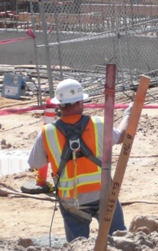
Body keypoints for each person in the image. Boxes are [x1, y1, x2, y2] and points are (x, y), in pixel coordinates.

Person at [27, 79, 131, 241]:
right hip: (102, 195)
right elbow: (122, 136)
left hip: (71, 201)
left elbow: (35, 164)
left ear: (59, 105)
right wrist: (128, 114)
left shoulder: (47, 133)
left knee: (77, 248)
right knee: (119, 240)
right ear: (81, 101)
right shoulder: (98, 124)